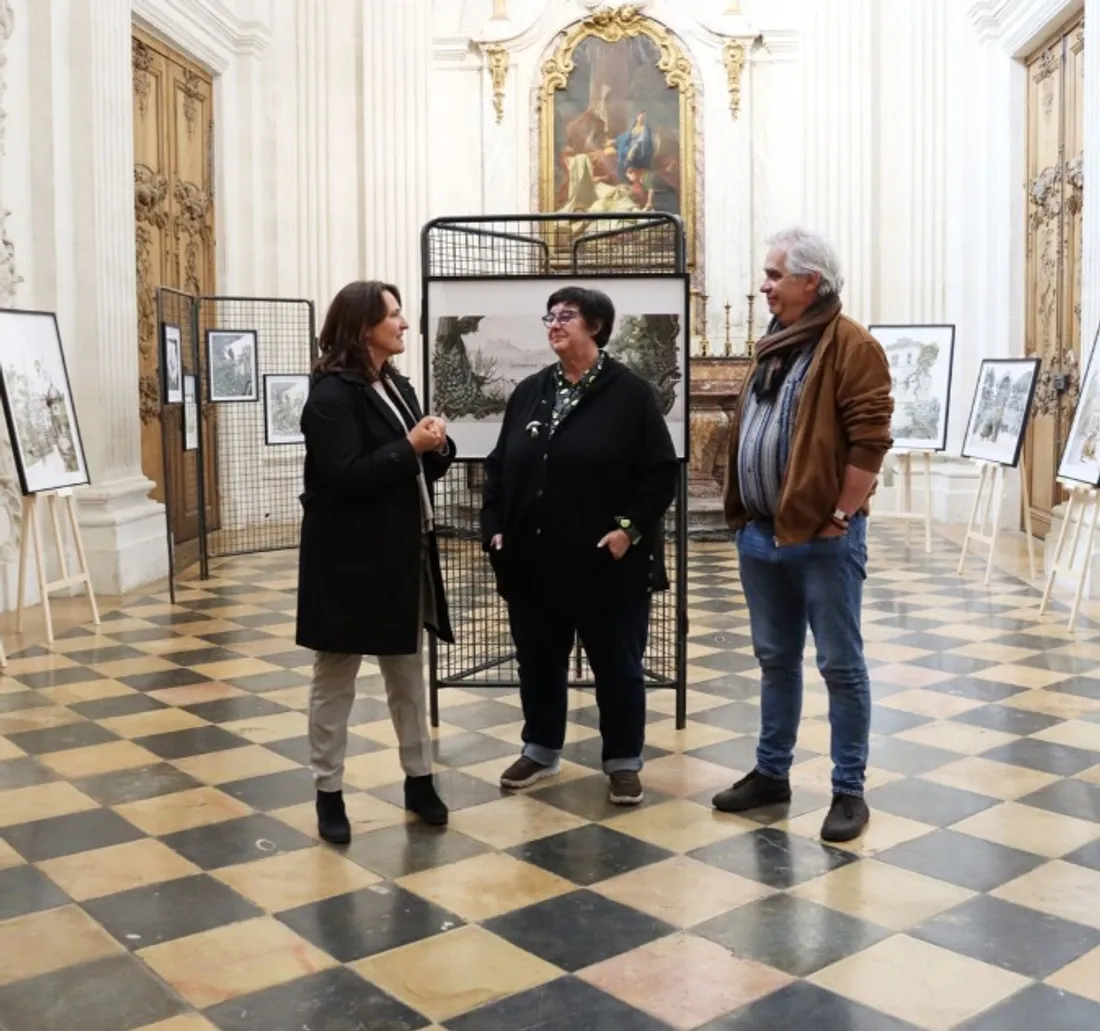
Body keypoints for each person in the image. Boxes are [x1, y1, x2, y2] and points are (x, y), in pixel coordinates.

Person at [712, 228, 893, 843]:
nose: (764, 285)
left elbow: (870, 440)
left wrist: (840, 515)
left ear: (810, 281)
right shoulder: (775, 343)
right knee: (775, 661)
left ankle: (848, 790)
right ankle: (771, 774)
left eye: (774, 274)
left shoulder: (850, 344)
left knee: (840, 666)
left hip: (823, 539)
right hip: (762, 534)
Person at [481, 285, 678, 805]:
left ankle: (623, 761)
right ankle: (541, 748)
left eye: (566, 316)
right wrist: (495, 525)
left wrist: (628, 530)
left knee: (617, 667)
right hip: (533, 562)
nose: (554, 324)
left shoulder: (631, 394)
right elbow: (500, 466)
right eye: (550, 316)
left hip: (605, 563)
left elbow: (660, 474)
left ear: (596, 326)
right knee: (538, 662)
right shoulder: (530, 391)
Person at [296, 280, 455, 844]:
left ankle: (419, 780)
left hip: (400, 553)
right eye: (393, 315)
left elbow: (416, 466)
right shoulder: (331, 396)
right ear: (364, 327)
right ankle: (328, 792)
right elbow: (343, 477)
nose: (404, 323)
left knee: (407, 675)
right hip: (347, 559)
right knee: (335, 679)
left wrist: (435, 444)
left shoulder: (396, 383)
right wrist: (409, 447)